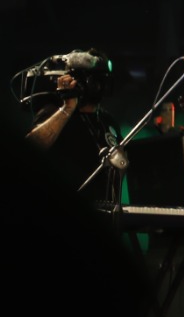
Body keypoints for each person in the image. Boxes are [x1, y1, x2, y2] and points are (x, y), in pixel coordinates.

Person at [26, 50, 121, 204]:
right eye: (95, 81)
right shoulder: (53, 112)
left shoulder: (107, 120)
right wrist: (67, 108)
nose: (100, 87)